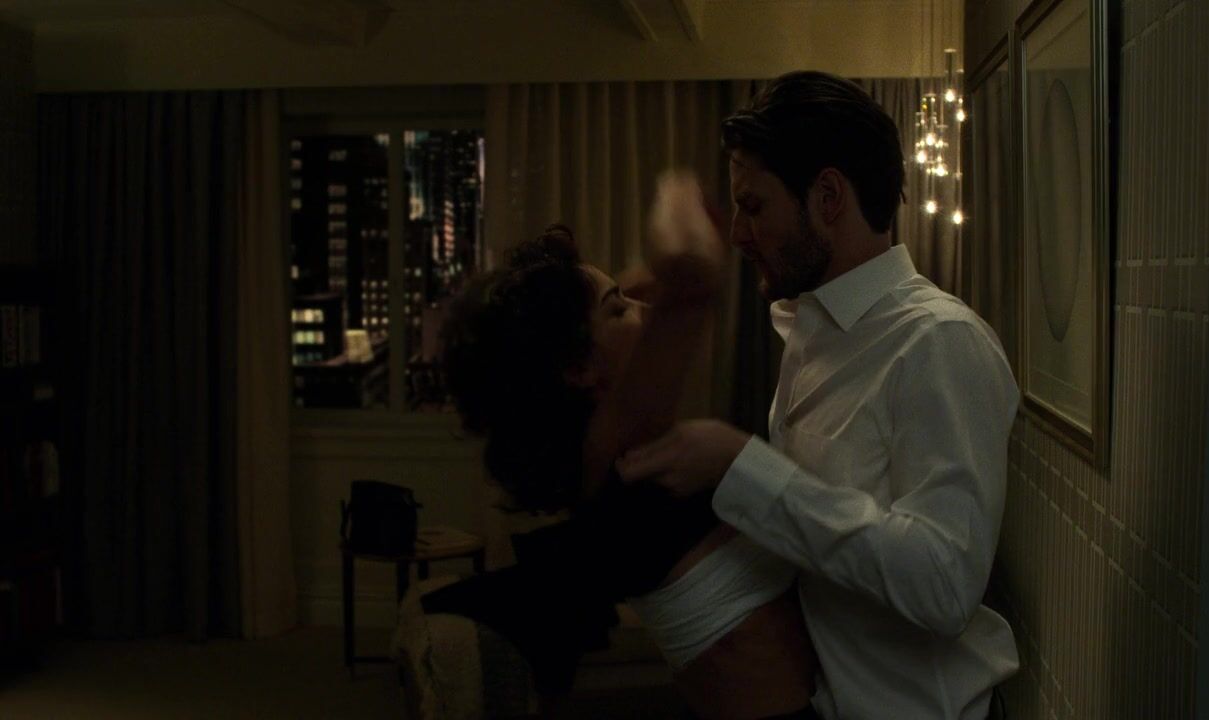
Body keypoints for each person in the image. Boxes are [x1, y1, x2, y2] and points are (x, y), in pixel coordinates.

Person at [616, 71, 1020, 720]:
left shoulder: (939, 342)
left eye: (753, 207)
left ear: (827, 196)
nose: (737, 235)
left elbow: (944, 583)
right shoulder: (809, 332)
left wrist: (742, 467)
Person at [428, 174, 817, 720]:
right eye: (618, 308)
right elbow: (690, 278)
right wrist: (678, 184)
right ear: (579, 368)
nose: (641, 308)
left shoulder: (595, 455)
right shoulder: (623, 443)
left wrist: (614, 294)